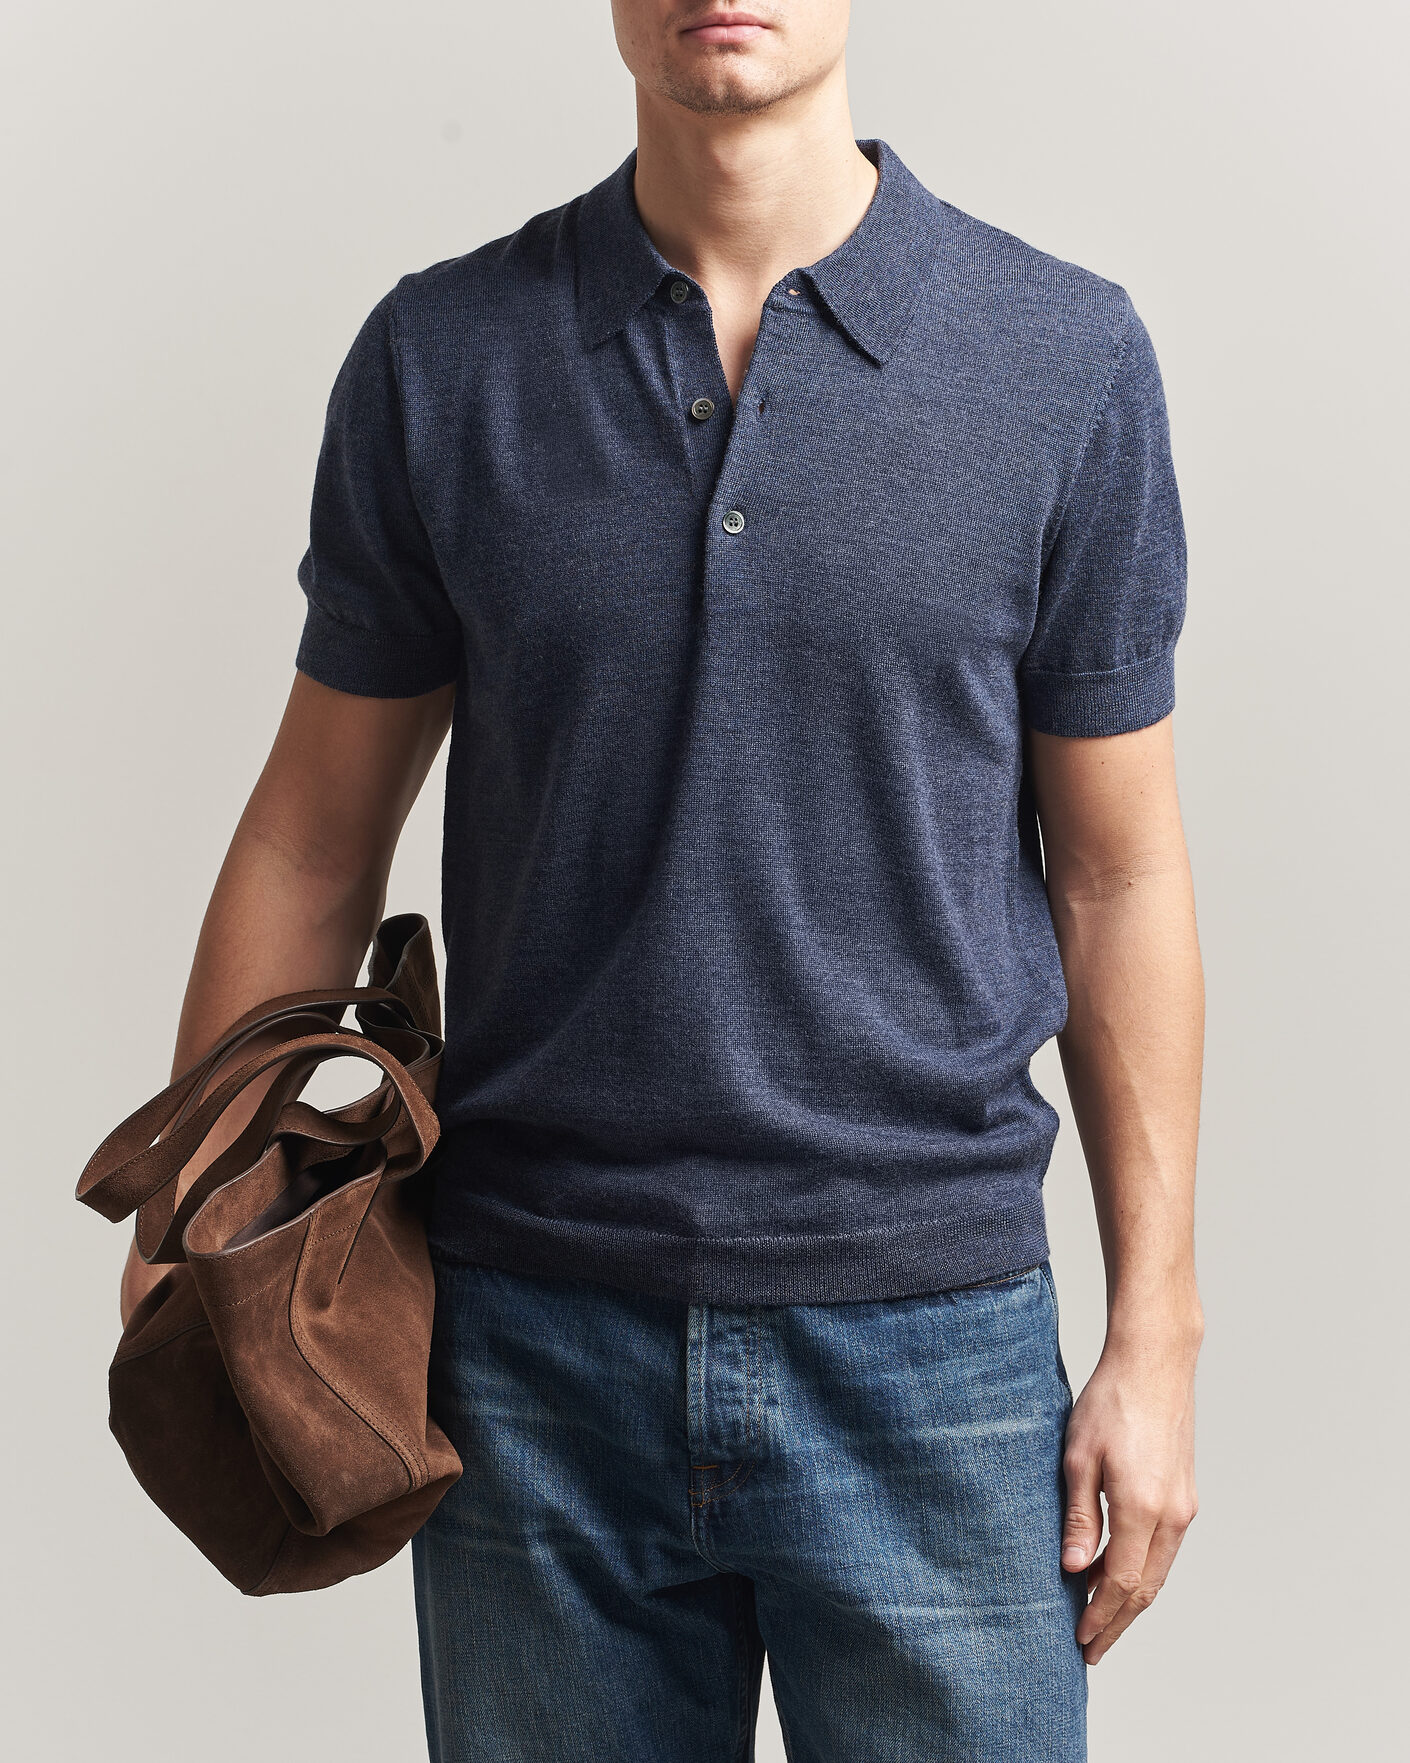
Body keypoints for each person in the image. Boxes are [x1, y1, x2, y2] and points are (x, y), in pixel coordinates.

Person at [123, 3, 1204, 1757]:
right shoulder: (441, 357)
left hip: (933, 1347)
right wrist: (196, 1207)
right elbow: (313, 833)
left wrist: (1156, 1332)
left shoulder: (1059, 358)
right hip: (528, 1349)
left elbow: (1118, 877)